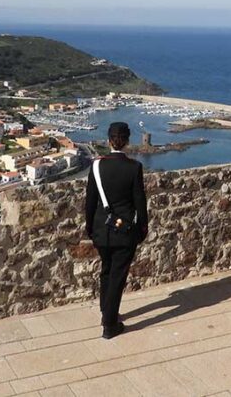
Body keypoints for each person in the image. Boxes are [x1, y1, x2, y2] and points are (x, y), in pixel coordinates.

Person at [85, 122, 149, 338]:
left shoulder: (96, 166)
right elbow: (140, 202)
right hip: (124, 231)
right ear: (128, 141)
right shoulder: (134, 168)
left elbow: (90, 202)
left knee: (106, 271)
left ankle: (106, 311)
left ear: (108, 140)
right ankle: (110, 325)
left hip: (101, 230)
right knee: (117, 277)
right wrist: (143, 229)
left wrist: (90, 229)